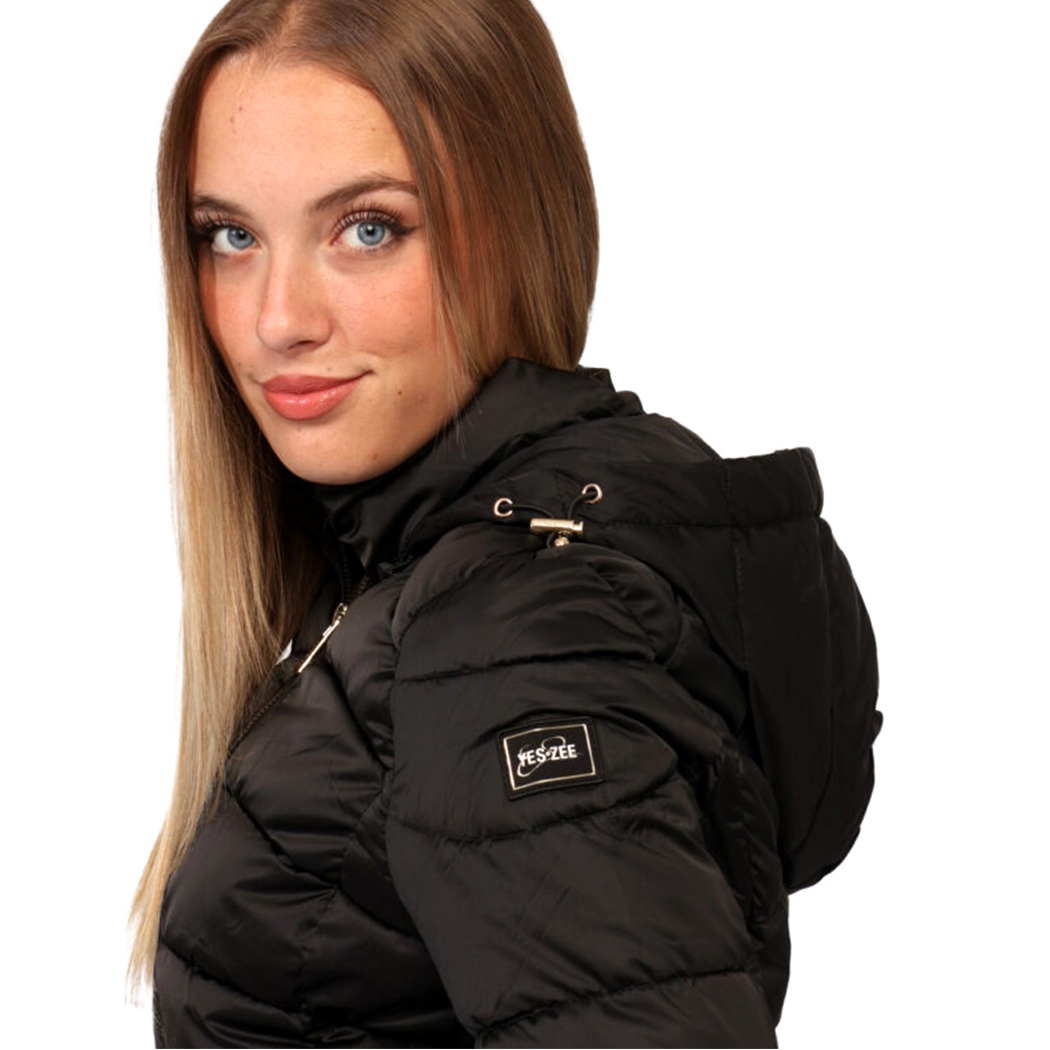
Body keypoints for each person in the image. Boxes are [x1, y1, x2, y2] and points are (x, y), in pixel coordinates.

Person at [129, 0, 880, 1045]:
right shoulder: (426, 564)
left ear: (519, 225)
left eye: (369, 228)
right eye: (231, 235)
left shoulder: (511, 639)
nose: (277, 319)